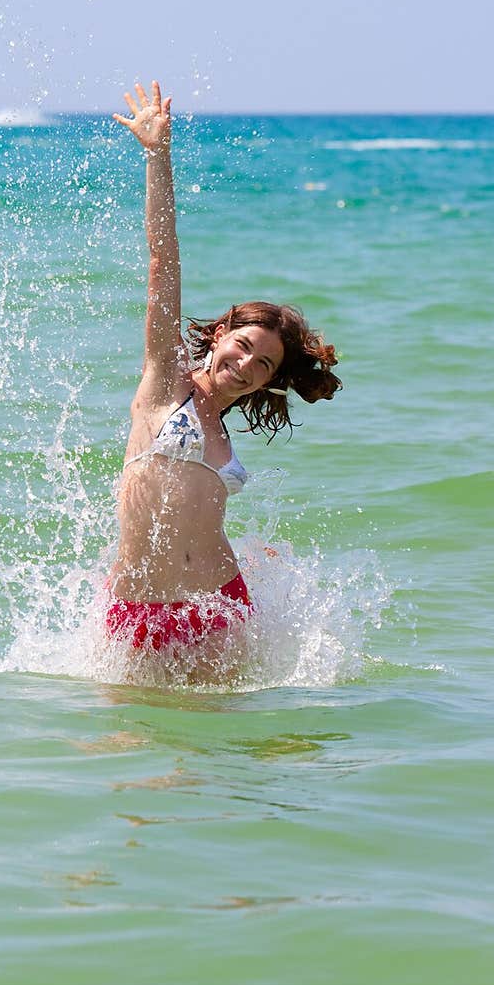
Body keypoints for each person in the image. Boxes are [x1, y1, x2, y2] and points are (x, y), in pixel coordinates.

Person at [104, 79, 342, 679]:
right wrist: (158, 157)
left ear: (266, 383)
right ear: (218, 336)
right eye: (242, 347)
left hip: (219, 606)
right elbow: (163, 261)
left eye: (263, 364)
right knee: (131, 756)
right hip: (140, 608)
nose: (246, 365)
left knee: (224, 760)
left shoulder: (226, 436)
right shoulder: (165, 387)